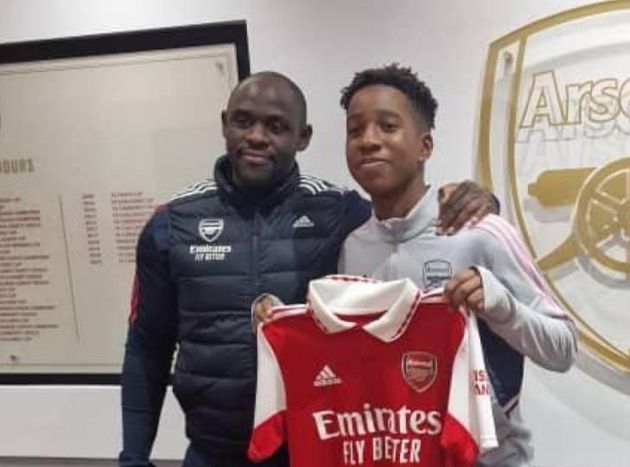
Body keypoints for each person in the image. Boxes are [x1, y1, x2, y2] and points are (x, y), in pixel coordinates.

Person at [119, 70, 497, 467]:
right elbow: (147, 347)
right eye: (243, 121)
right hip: (211, 452)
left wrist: (479, 200)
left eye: (276, 126)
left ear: (303, 137)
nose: (257, 136)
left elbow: (402, 218)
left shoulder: (339, 212)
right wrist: (133, 456)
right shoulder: (173, 223)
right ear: (225, 125)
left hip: (314, 449)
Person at [335, 64, 578, 466]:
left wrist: (503, 308)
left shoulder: (481, 231)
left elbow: (563, 348)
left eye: (388, 126)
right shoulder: (352, 248)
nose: (369, 141)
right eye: (355, 130)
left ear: (425, 146)